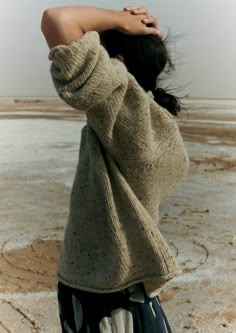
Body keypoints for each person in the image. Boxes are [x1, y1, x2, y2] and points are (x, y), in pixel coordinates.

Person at [41, 5, 189, 332]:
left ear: (117, 67)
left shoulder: (126, 117)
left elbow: (58, 20)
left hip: (104, 296)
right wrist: (146, 33)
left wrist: (122, 21)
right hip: (127, 290)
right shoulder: (157, 125)